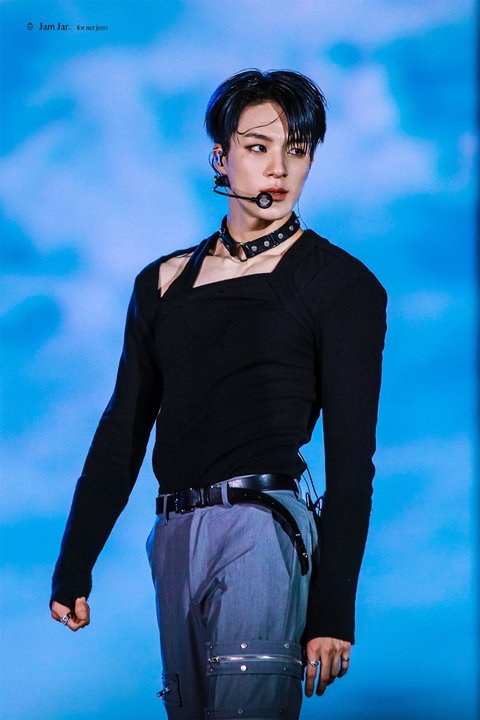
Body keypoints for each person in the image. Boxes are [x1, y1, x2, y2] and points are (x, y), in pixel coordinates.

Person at [50, 69, 387, 719]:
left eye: (297, 150)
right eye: (258, 146)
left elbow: (352, 461)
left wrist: (333, 612)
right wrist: (74, 566)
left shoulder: (341, 285)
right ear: (221, 156)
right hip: (172, 534)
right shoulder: (162, 283)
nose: (279, 168)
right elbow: (123, 428)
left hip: (262, 527)